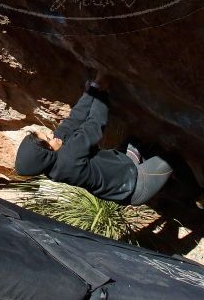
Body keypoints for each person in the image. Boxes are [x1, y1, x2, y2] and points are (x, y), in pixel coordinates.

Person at [14, 72, 173, 205]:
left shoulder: (53, 157)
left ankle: (171, 188)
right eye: (48, 139)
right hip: (136, 184)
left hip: (124, 164)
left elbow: (73, 121)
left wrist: (93, 89)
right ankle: (195, 194)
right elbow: (95, 124)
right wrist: (103, 92)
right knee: (173, 158)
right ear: (47, 153)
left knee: (139, 141)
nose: (52, 136)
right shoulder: (69, 158)